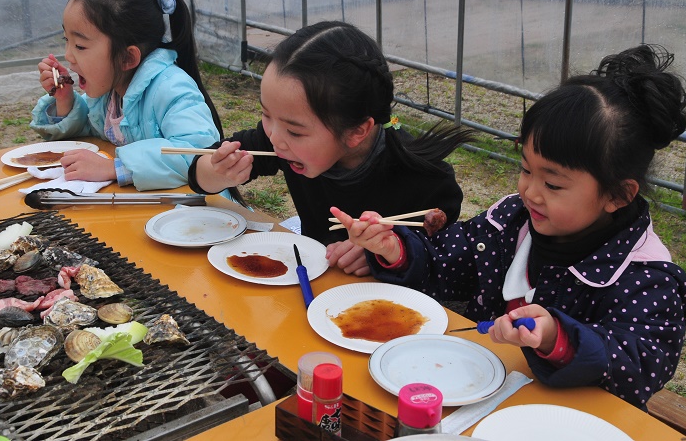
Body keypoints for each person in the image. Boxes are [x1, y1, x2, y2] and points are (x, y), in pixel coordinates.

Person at [331, 44, 686, 408]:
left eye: (553, 184)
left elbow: (640, 365)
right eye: (525, 169)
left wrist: (556, 337)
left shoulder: (648, 277)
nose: (530, 192)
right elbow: (447, 262)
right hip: (474, 389)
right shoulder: (512, 220)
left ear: (617, 195)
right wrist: (394, 249)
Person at [188, 21, 474, 272]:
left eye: (295, 131)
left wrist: (385, 251)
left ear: (356, 131)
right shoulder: (277, 141)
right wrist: (218, 171)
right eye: (266, 114)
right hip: (311, 278)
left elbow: (442, 254)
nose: (274, 136)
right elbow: (199, 176)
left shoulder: (424, 180)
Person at [30, 0, 223, 191]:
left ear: (127, 58)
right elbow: (91, 127)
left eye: (80, 46)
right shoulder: (110, 90)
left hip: (196, 215)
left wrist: (115, 167)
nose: (69, 56)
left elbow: (200, 152)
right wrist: (65, 102)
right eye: (67, 40)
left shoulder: (171, 88)